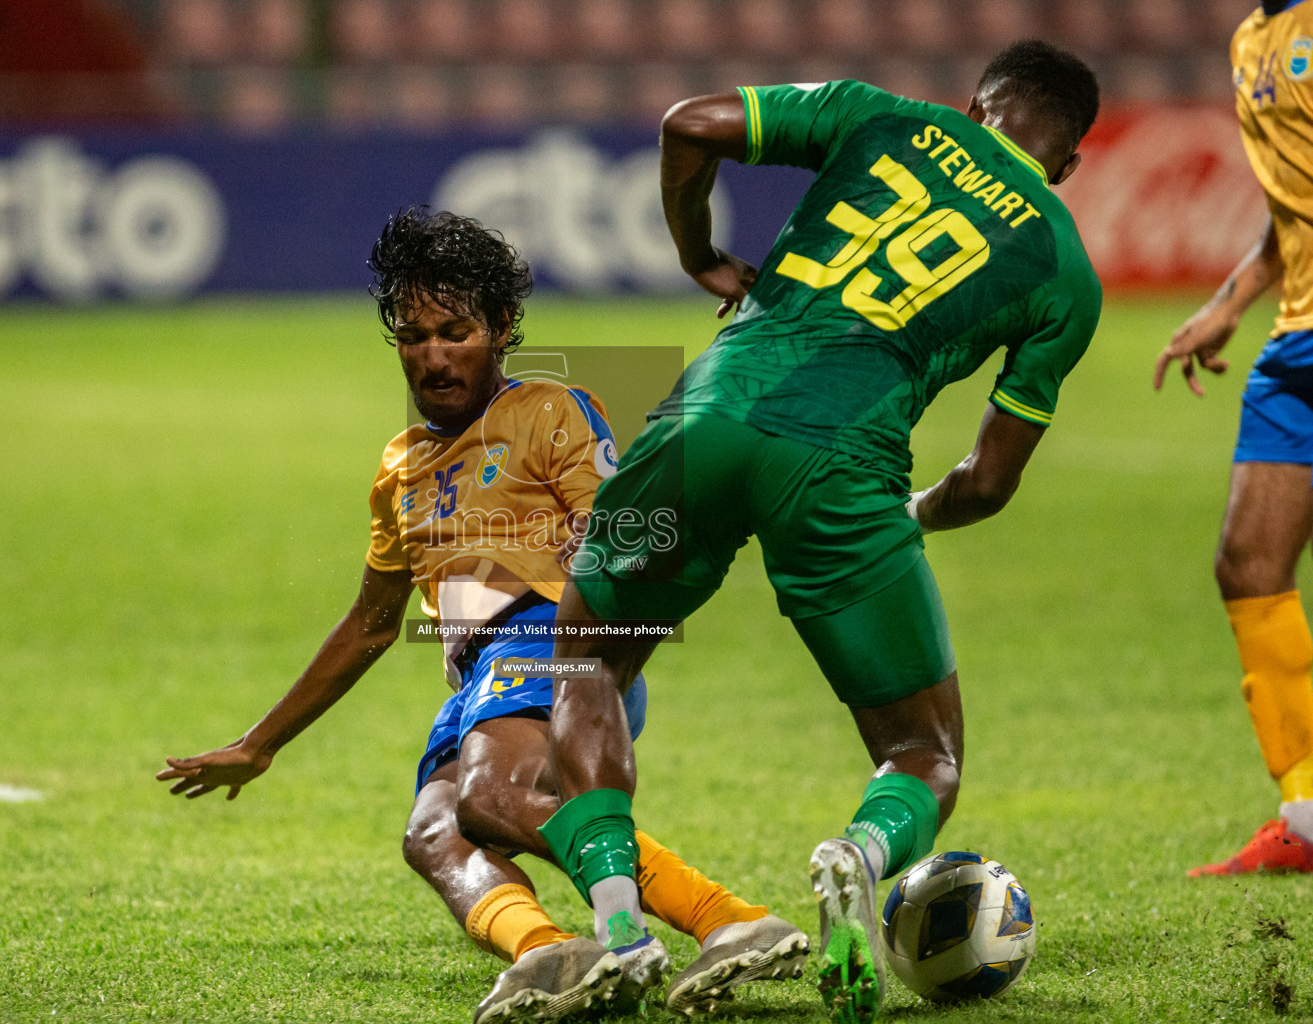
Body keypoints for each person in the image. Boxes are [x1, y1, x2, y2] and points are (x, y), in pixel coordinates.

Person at [532, 41, 1102, 1024]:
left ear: (978, 104)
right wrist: (908, 516)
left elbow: (686, 125)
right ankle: (861, 855)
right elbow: (989, 479)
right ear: (1070, 160)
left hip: (705, 415)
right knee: (925, 753)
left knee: (587, 668)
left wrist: (695, 253)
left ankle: (622, 931)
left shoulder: (879, 116)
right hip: (844, 468)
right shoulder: (1063, 266)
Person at [154, 208, 809, 1023]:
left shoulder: (551, 411)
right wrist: (260, 745)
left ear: (501, 327)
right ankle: (549, 953)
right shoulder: (401, 468)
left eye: (455, 331)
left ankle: (725, 923)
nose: (432, 355)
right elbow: (368, 623)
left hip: (557, 644)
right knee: (433, 832)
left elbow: (619, 548)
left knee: (490, 798)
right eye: (413, 335)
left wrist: (556, 600)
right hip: (478, 681)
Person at [1152, 1, 1313, 876]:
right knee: (1250, 564)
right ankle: (1308, 814)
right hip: (1297, 339)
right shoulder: (1253, 39)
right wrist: (1234, 297)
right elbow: (1293, 197)